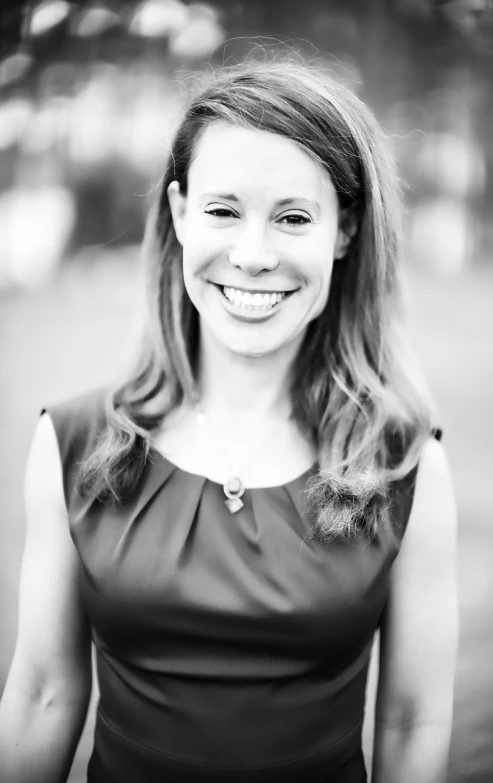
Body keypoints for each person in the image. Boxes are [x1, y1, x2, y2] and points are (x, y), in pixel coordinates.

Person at [0, 56, 458, 783]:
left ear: (343, 231)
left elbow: (411, 718)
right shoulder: (72, 442)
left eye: (293, 217)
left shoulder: (403, 465)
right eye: (222, 210)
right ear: (180, 213)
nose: (251, 255)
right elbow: (44, 693)